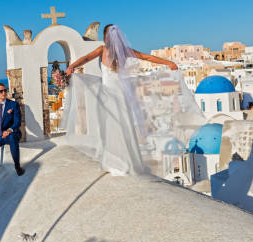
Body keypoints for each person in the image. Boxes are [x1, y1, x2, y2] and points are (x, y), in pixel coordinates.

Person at [63, 24, 183, 176]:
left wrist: (72, 66)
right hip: (121, 93)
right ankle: (126, 162)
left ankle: (114, 162)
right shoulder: (124, 52)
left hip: (108, 94)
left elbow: (86, 58)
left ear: (105, 37)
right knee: (124, 126)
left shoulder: (102, 50)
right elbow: (147, 56)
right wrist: (168, 63)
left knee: (111, 127)